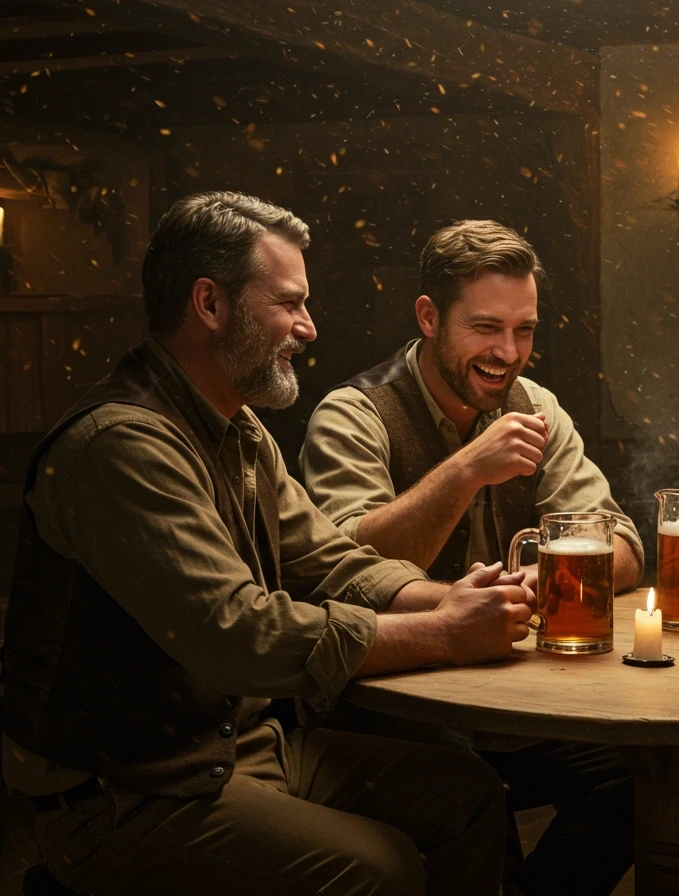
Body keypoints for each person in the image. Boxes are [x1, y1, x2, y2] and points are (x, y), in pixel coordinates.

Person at [2, 192, 535, 896]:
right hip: (128, 793)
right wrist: (443, 632)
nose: (309, 328)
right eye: (289, 304)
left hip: (247, 749)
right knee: (379, 870)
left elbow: (331, 562)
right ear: (209, 304)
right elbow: (239, 634)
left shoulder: (241, 429)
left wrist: (462, 600)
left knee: (468, 795)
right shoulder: (119, 446)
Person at [300, 219, 640, 896]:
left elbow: (624, 545)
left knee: (640, 779)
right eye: (486, 328)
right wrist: (463, 472)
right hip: (401, 701)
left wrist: (556, 575)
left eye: (525, 330)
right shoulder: (352, 414)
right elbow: (343, 575)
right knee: (469, 795)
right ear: (429, 317)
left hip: (516, 694)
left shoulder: (535, 406)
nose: (509, 353)